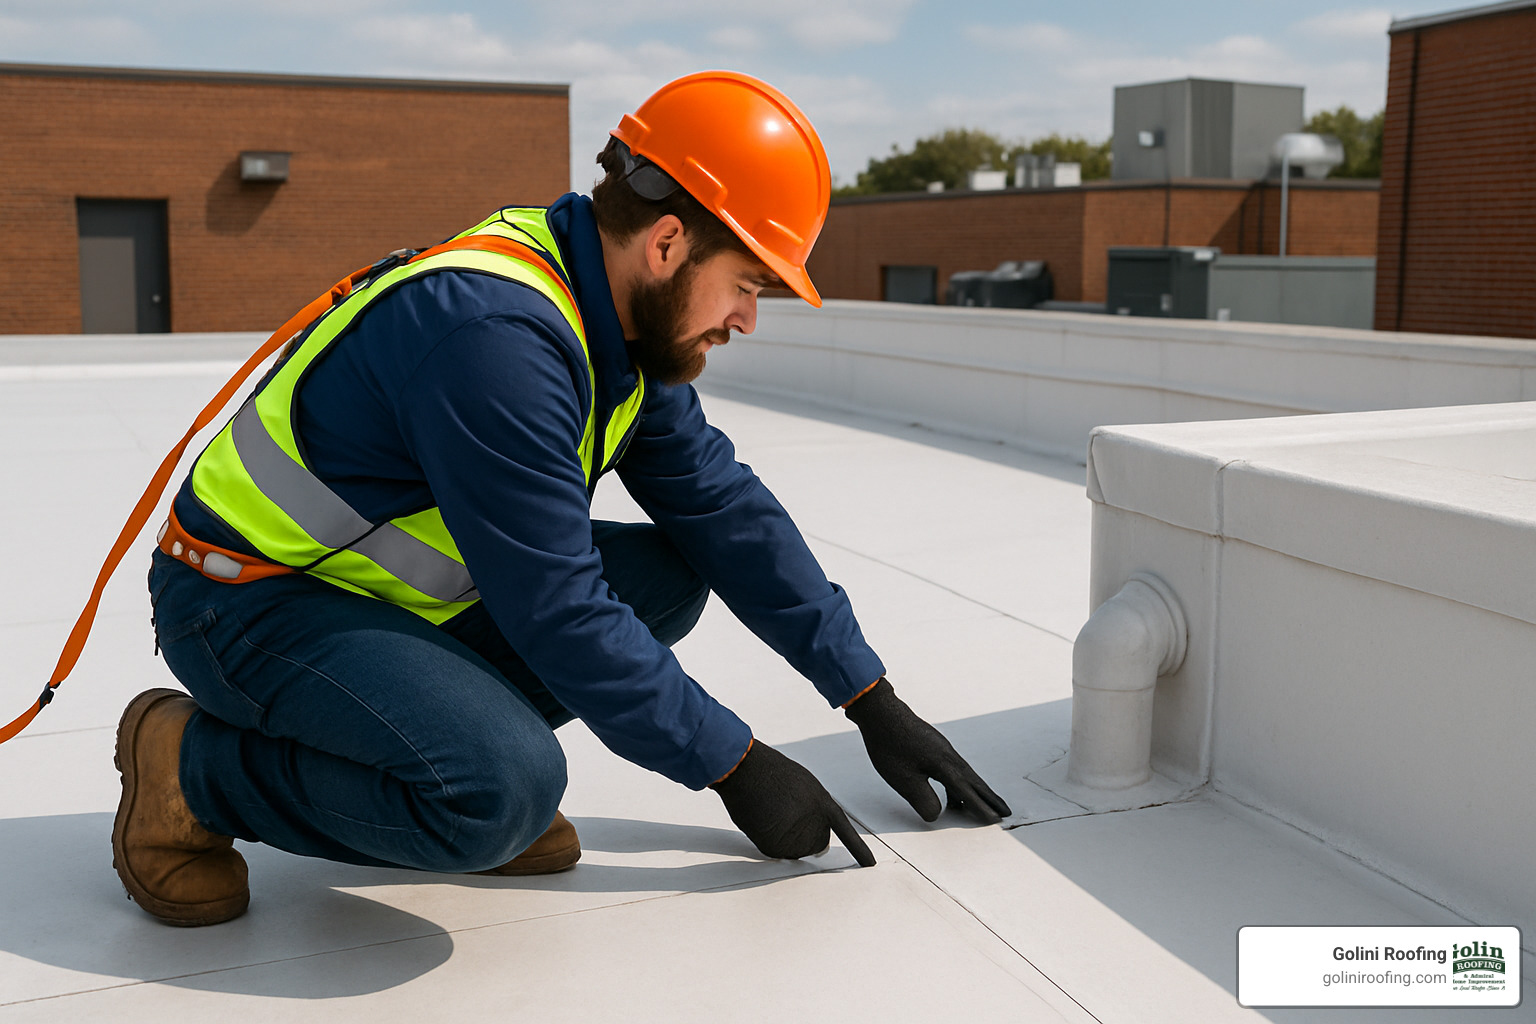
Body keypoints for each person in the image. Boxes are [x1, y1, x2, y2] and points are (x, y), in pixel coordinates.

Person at [113, 70, 1010, 927]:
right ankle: (190, 772)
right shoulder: (495, 342)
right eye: (747, 284)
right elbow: (560, 610)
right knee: (499, 794)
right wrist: (736, 766)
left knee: (667, 575)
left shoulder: (610, 315)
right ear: (667, 244)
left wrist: (868, 698)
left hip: (366, 596)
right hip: (243, 603)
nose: (747, 319)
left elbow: (723, 511)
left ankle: (446, 745)